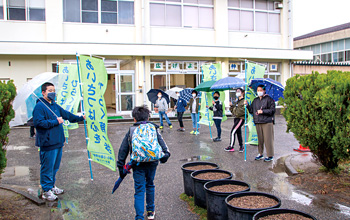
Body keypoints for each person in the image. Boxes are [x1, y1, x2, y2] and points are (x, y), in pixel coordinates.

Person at [33, 82, 85, 201]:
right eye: (50, 90)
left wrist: (81, 118)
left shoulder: (54, 106)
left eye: (53, 90)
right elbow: (38, 123)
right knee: (47, 167)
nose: (53, 93)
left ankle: (51, 186)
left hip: (58, 142)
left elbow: (67, 115)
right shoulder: (40, 107)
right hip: (47, 143)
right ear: (43, 92)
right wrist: (56, 121)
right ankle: (46, 190)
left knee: (54, 167)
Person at [117, 106, 171, 220]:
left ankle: (139, 217)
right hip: (153, 162)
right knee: (150, 184)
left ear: (134, 119)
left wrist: (121, 167)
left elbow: (123, 150)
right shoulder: (153, 128)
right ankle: (150, 212)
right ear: (148, 117)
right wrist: (164, 157)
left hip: (137, 164)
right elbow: (164, 147)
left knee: (139, 190)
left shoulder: (131, 130)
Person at [245, 85, 275, 162]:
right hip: (258, 122)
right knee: (260, 139)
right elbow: (252, 110)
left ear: (264, 91)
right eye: (258, 90)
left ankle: (270, 155)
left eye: (260, 90)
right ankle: (260, 153)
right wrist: (248, 105)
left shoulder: (269, 99)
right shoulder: (255, 100)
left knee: (268, 139)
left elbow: (272, 110)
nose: (259, 92)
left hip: (267, 122)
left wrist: (263, 111)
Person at [225, 88, 245, 152]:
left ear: (242, 92)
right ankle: (241, 146)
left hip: (240, 119)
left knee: (233, 131)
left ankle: (231, 146)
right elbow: (234, 111)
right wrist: (231, 106)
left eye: (239, 91)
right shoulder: (237, 101)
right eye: (236, 91)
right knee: (238, 132)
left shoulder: (244, 101)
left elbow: (242, 111)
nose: (237, 92)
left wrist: (235, 111)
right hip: (236, 118)